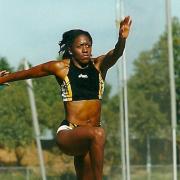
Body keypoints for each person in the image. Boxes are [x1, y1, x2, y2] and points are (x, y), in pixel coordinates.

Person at [0, 16, 132, 180]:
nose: (85, 49)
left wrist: (122, 39)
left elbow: (116, 53)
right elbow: (27, 73)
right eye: (80, 46)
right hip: (69, 133)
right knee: (98, 133)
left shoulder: (99, 65)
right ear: (70, 49)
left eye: (88, 45)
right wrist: (2, 79)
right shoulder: (61, 68)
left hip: (89, 140)